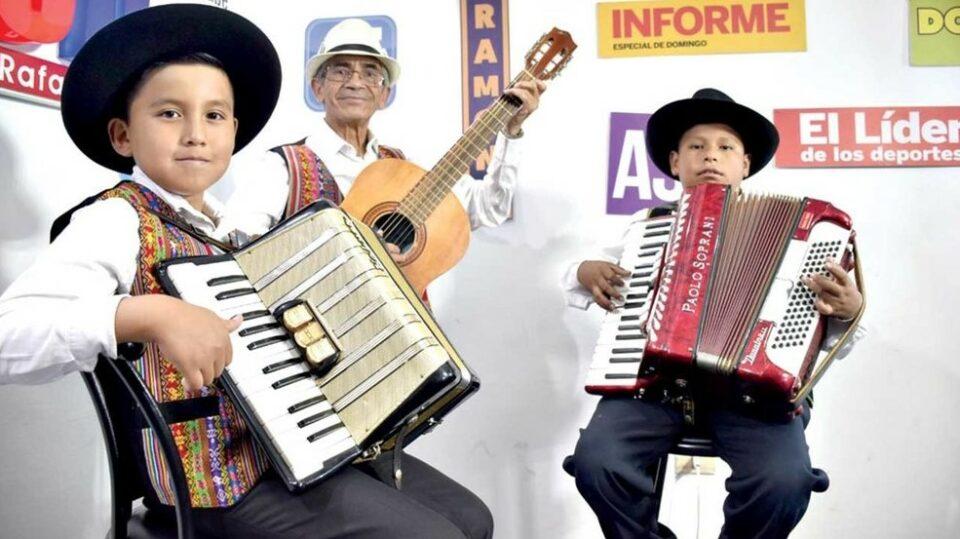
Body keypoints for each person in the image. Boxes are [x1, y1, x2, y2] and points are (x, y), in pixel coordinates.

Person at [0, 5, 491, 537]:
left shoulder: (227, 230)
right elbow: (8, 336)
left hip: (290, 443)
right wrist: (144, 312)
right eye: (169, 114)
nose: (195, 134)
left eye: (214, 116)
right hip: (209, 483)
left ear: (233, 132)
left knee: (471, 519)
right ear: (122, 135)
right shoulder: (116, 219)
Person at [562, 88, 867, 538]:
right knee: (597, 462)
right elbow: (583, 275)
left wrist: (850, 311)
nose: (710, 157)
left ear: (744, 164)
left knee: (784, 482)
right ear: (674, 161)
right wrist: (584, 272)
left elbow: (834, 338)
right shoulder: (649, 228)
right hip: (655, 387)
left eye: (726, 147)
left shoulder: (802, 233)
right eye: (696, 146)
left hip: (752, 393)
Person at [225, 17, 546, 241]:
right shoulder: (281, 167)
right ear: (317, 88)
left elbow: (489, 209)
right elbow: (239, 244)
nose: (355, 82)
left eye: (369, 73)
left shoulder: (403, 168)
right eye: (340, 71)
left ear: (384, 94)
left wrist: (510, 133)